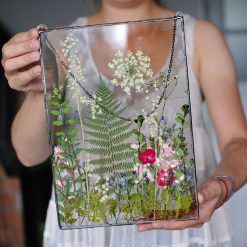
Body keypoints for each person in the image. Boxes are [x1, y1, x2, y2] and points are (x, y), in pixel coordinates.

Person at [1, 0, 247, 246]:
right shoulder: (61, 45)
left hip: (182, 235)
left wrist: (222, 185)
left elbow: (238, 142)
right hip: (87, 239)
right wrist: (39, 90)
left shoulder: (200, 37)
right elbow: (28, 154)